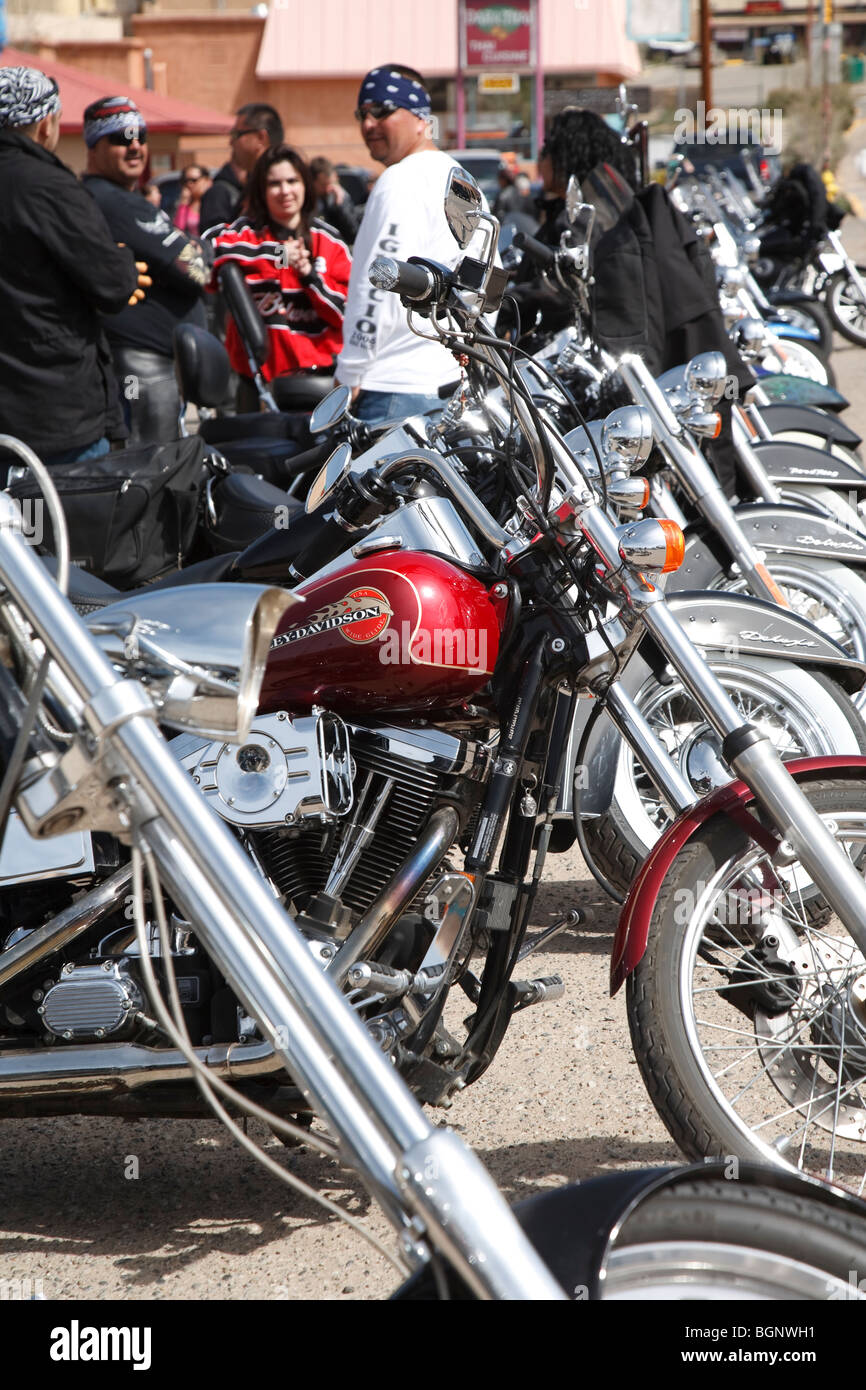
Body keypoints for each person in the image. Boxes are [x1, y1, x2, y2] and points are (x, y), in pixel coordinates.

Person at [507, 107, 750, 494]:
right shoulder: (608, 193)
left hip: (627, 367)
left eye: (547, 149)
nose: (540, 160)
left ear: (567, 153)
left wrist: (507, 300)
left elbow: (572, 284)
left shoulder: (590, 211)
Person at [0, 67, 141, 467]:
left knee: (13, 527)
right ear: (46, 124)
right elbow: (113, 284)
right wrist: (122, 261)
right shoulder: (48, 185)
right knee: (57, 528)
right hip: (53, 416)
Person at [335, 64, 487, 425]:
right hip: (452, 384)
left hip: (392, 389)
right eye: (362, 113)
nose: (368, 123)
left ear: (421, 119)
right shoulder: (462, 179)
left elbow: (379, 284)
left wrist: (350, 372)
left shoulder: (401, 180)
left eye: (382, 110)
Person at [82, 96, 211, 444]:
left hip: (147, 365)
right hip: (142, 367)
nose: (136, 145)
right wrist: (202, 252)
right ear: (94, 145)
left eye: (140, 135)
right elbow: (197, 271)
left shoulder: (101, 198)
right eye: (122, 138)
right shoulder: (117, 202)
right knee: (151, 474)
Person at [207, 144, 351, 411]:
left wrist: (309, 275)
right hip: (257, 387)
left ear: (305, 184)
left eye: (292, 181)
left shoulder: (329, 241)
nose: (285, 191)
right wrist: (274, 254)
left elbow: (349, 315)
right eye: (274, 184)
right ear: (261, 190)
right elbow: (204, 254)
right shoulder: (246, 234)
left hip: (319, 387)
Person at [199, 103, 283, 234]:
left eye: (236, 134)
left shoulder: (282, 189)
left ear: (261, 137)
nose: (231, 142)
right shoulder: (249, 185)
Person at [310, 155, 360, 245]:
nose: (327, 189)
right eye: (323, 185)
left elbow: (352, 233)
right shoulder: (307, 201)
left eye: (330, 184)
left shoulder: (338, 196)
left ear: (336, 178)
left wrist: (340, 205)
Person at [173, 163, 212, 238]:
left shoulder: (214, 201)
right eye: (185, 181)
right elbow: (178, 231)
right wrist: (183, 203)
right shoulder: (185, 206)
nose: (189, 184)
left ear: (206, 180)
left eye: (194, 180)